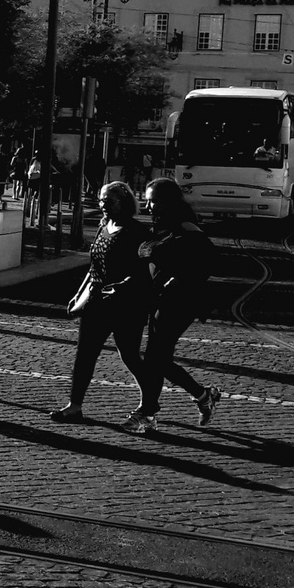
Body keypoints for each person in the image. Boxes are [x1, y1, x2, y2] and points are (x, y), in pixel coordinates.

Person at [49, 182, 149, 424]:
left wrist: (123, 286)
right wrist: (80, 294)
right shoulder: (104, 226)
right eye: (102, 200)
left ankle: (149, 402)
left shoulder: (138, 232)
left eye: (109, 201)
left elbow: (144, 271)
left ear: (124, 202)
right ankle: (75, 406)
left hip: (126, 305)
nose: (104, 205)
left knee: (130, 356)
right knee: (85, 354)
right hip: (96, 302)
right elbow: (94, 266)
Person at [130, 178, 223, 434]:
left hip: (180, 302)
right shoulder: (162, 225)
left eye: (155, 201)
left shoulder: (186, 227)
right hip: (160, 300)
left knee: (155, 359)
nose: (149, 206)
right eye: (147, 200)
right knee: (158, 359)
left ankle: (148, 414)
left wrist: (179, 279)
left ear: (170, 202)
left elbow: (208, 260)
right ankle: (202, 395)